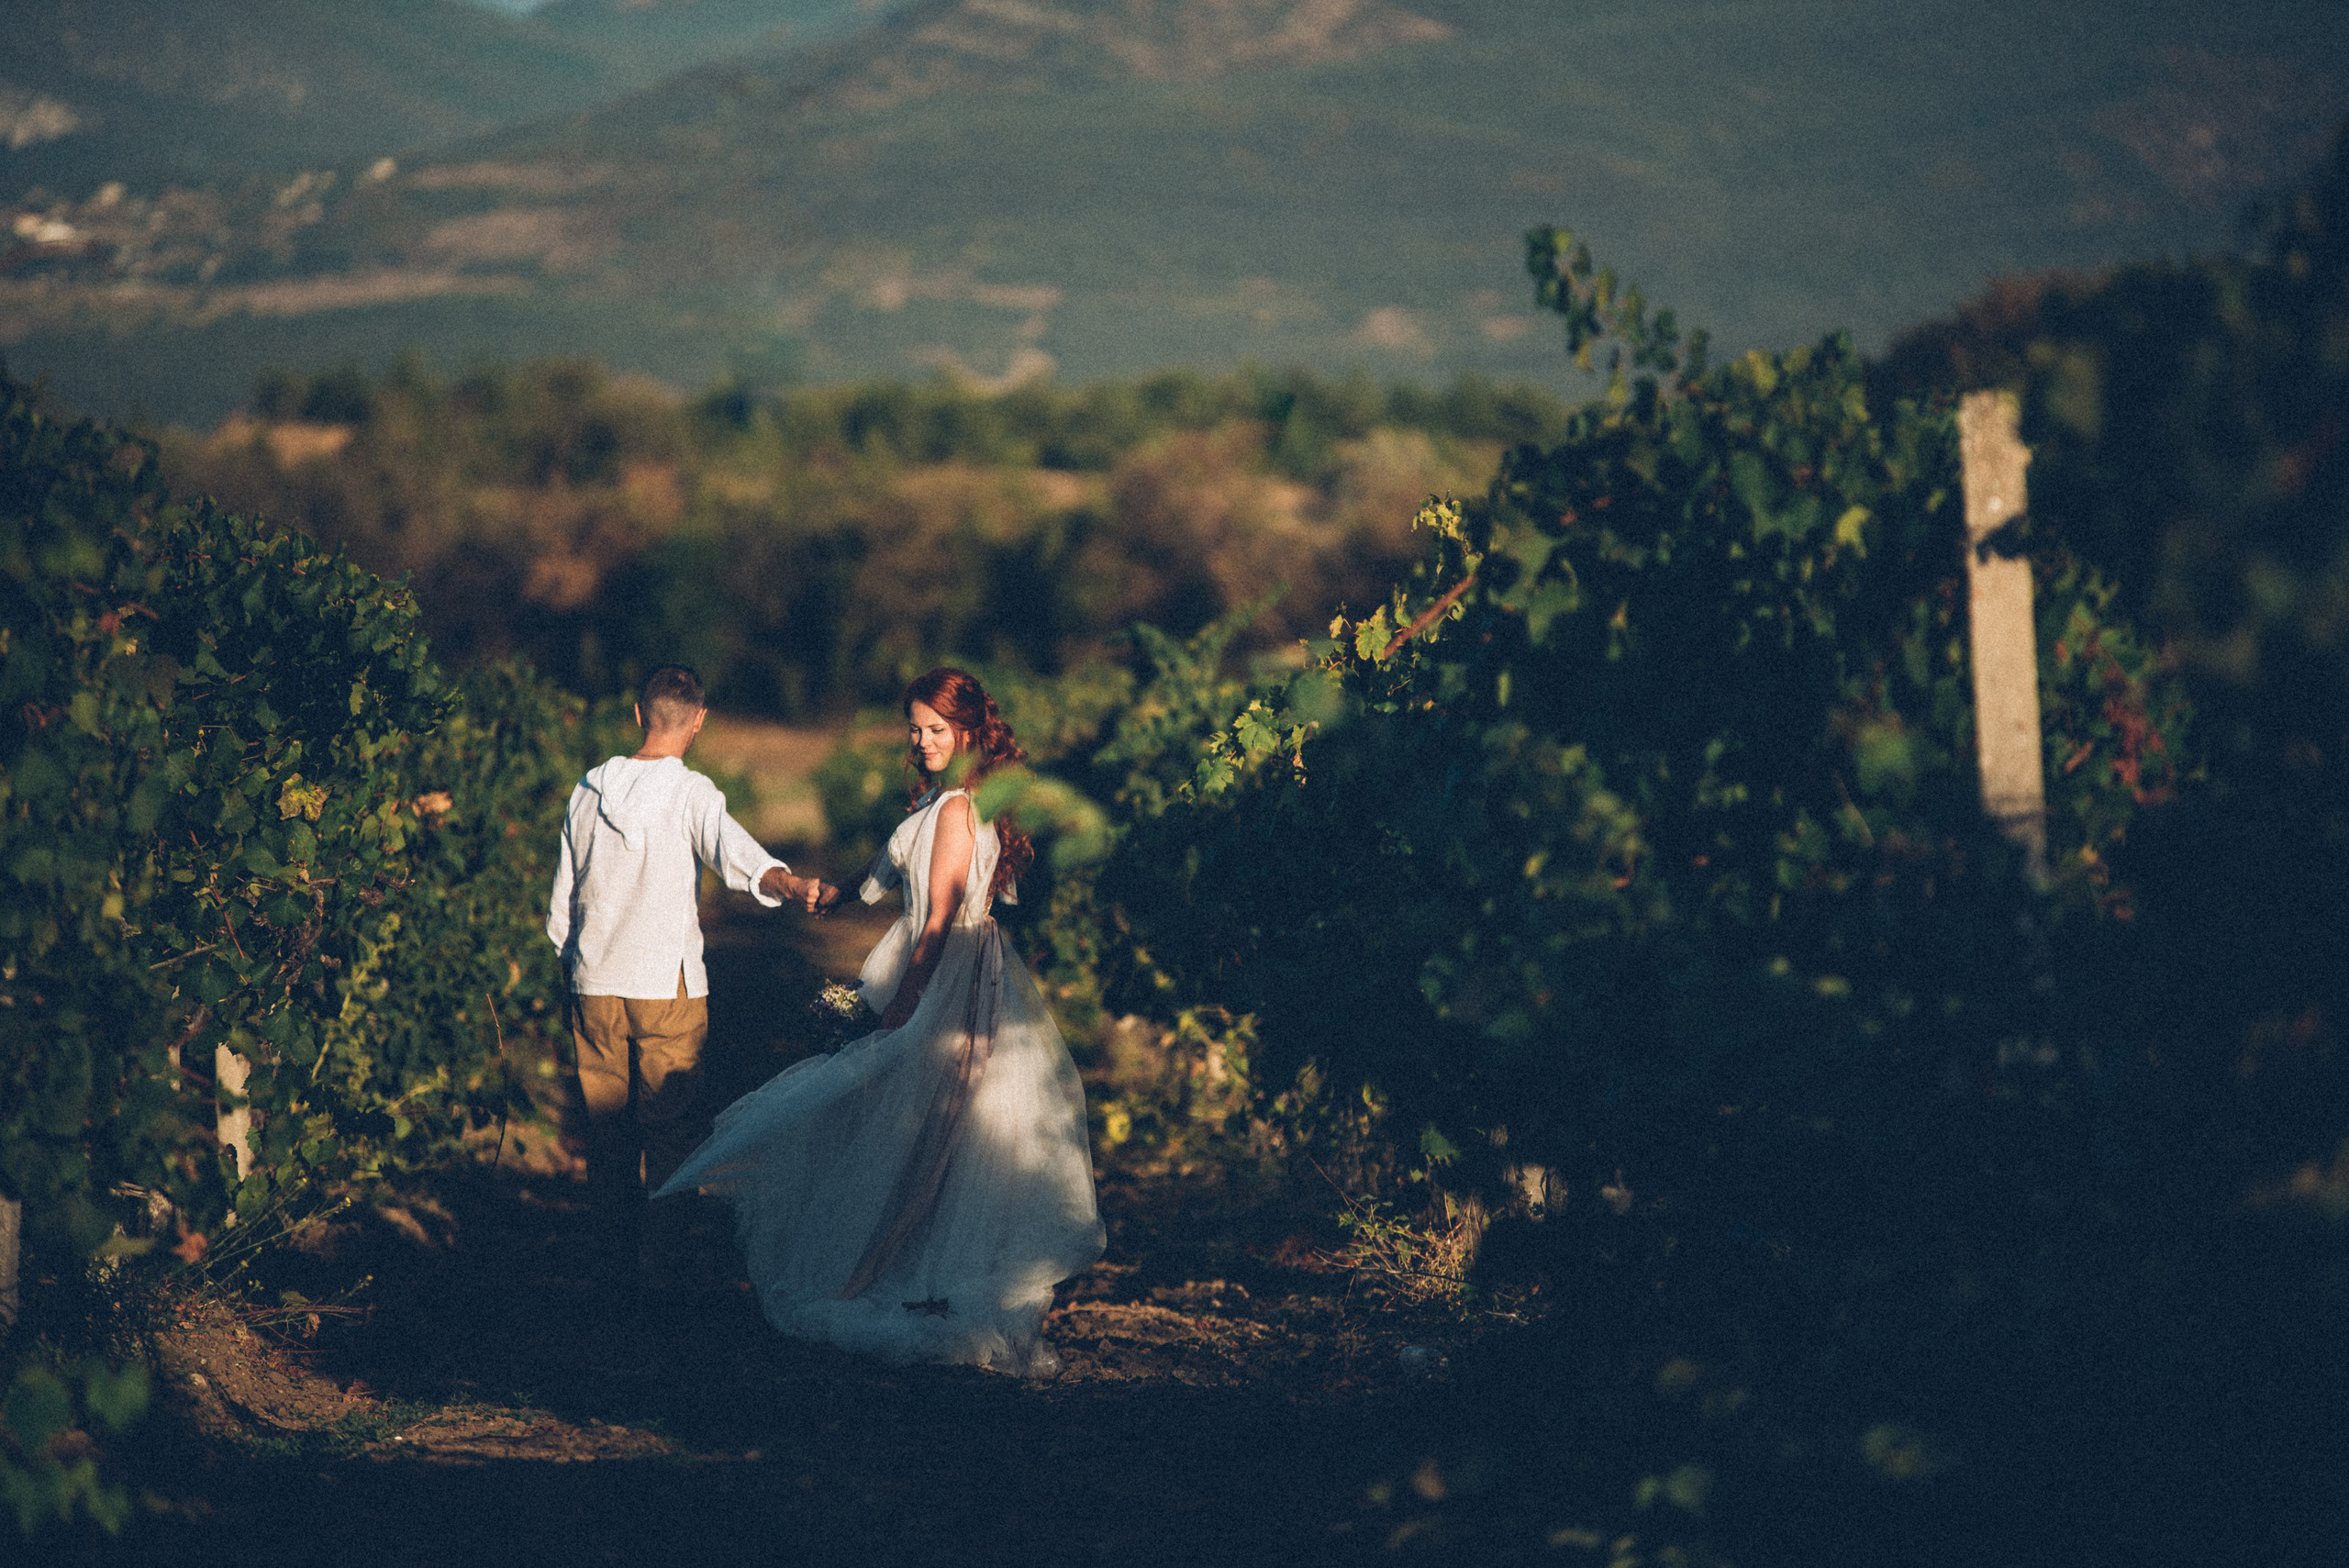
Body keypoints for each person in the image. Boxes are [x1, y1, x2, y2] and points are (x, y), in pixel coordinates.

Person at [655, 667, 1104, 1375]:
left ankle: (870, 1271)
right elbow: (885, 871)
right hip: (948, 970)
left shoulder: (955, 810)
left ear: (969, 730)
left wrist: (907, 1004)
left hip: (946, 977)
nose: (922, 741)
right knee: (906, 1120)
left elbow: (939, 918)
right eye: (915, 729)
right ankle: (882, 1263)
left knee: (919, 1126)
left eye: (937, 729)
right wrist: (832, 895)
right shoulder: (941, 802)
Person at [546, 664, 840, 1297]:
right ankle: (665, 1271)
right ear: (699, 721)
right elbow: (738, 858)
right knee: (672, 1134)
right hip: (666, 984)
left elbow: (562, 905)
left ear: (638, 714)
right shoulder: (691, 793)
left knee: (607, 1132)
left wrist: (577, 966)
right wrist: (793, 885)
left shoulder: (588, 790)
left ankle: (612, 1266)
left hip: (595, 982)